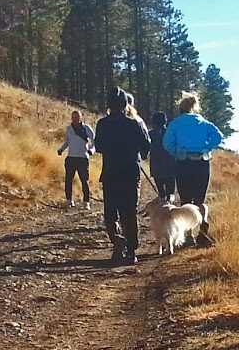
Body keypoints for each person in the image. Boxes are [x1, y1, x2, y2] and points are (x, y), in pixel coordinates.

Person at [93, 87, 151, 264]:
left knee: (111, 212)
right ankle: (131, 251)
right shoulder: (134, 123)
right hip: (130, 173)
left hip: (110, 173)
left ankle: (117, 239)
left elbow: (99, 147)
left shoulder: (102, 124)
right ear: (125, 104)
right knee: (129, 212)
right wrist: (139, 154)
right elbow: (146, 145)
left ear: (109, 106)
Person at [162, 91, 225, 247]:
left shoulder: (175, 124)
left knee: (185, 200)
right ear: (195, 107)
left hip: (183, 162)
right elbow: (219, 137)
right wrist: (206, 148)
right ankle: (203, 229)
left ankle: (188, 234)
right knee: (200, 200)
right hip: (202, 162)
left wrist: (176, 151)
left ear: (181, 107)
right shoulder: (204, 123)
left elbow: (166, 143)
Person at [56, 110, 95, 209]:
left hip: (82, 158)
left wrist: (91, 151)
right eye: (73, 117)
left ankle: (86, 202)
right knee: (68, 180)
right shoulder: (69, 129)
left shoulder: (86, 128)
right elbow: (67, 142)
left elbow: (94, 141)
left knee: (84, 181)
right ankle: (69, 200)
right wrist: (61, 149)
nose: (75, 119)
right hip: (71, 158)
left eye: (77, 117)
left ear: (81, 118)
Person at [148, 111, 176, 200]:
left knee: (161, 192)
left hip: (156, 168)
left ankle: (162, 202)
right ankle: (169, 204)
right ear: (165, 121)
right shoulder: (171, 133)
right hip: (170, 167)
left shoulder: (150, 134)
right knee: (170, 192)